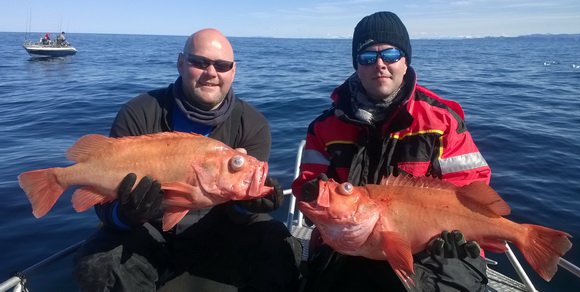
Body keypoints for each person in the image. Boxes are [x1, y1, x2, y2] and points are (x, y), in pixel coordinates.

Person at [74, 28, 302, 292]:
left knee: (278, 245)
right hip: (149, 231)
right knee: (98, 264)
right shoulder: (138, 112)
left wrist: (247, 206)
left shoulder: (252, 124)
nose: (211, 73)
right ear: (181, 63)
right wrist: (125, 214)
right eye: (199, 62)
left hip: (219, 232)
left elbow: (238, 211)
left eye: (222, 65)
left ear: (233, 71)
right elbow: (104, 209)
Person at [291, 11, 491, 292]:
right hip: (351, 240)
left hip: (436, 254)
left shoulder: (441, 120)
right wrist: (313, 191)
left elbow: (472, 187)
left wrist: (457, 238)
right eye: (368, 58)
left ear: (406, 60)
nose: (380, 65)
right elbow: (306, 187)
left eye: (391, 54)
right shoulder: (325, 127)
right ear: (357, 66)